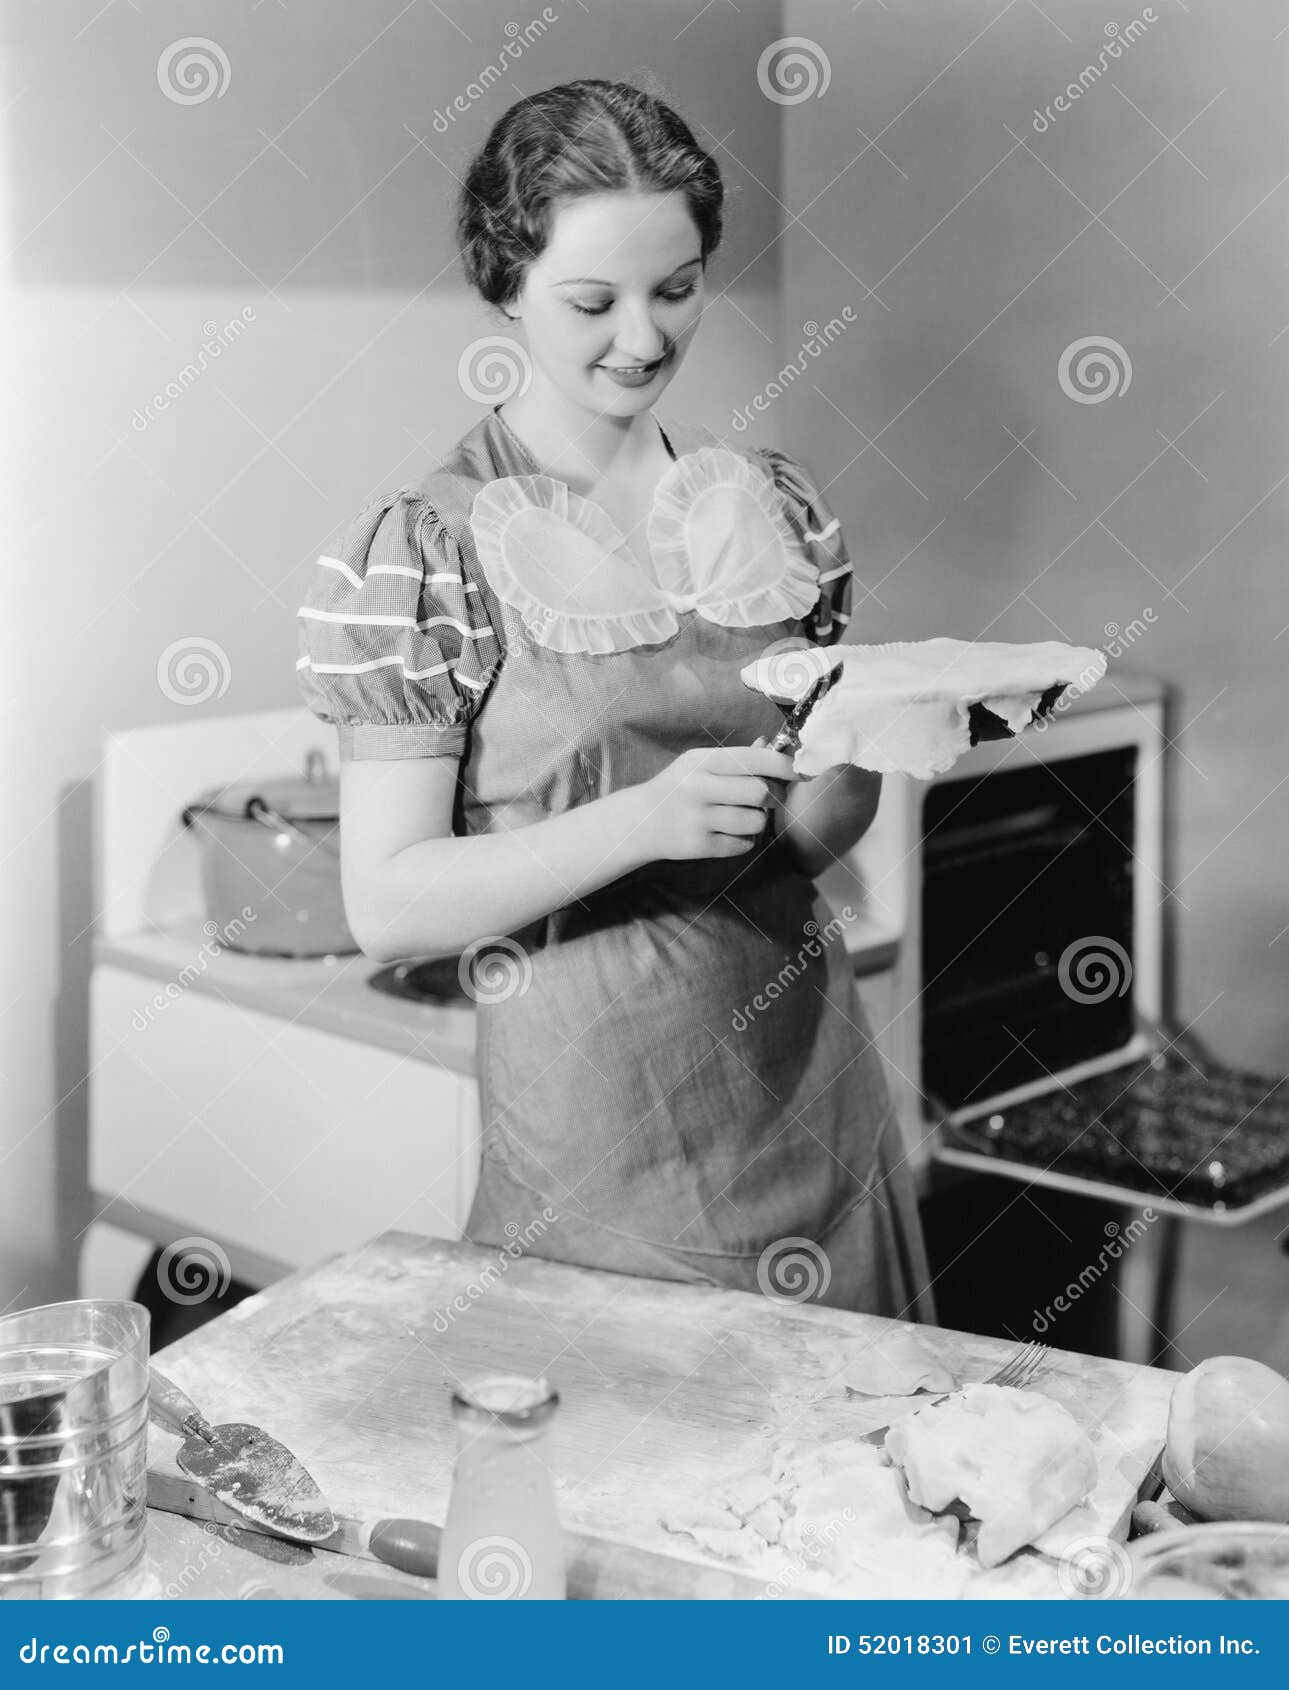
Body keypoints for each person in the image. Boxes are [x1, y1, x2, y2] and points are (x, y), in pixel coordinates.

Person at [296, 78, 935, 1320]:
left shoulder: (769, 507)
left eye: (677, 287)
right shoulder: (428, 547)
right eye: (591, 301)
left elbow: (795, 843)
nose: (640, 337)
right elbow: (387, 903)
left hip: (809, 1084)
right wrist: (638, 821)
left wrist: (869, 747)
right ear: (505, 282)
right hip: (598, 1140)